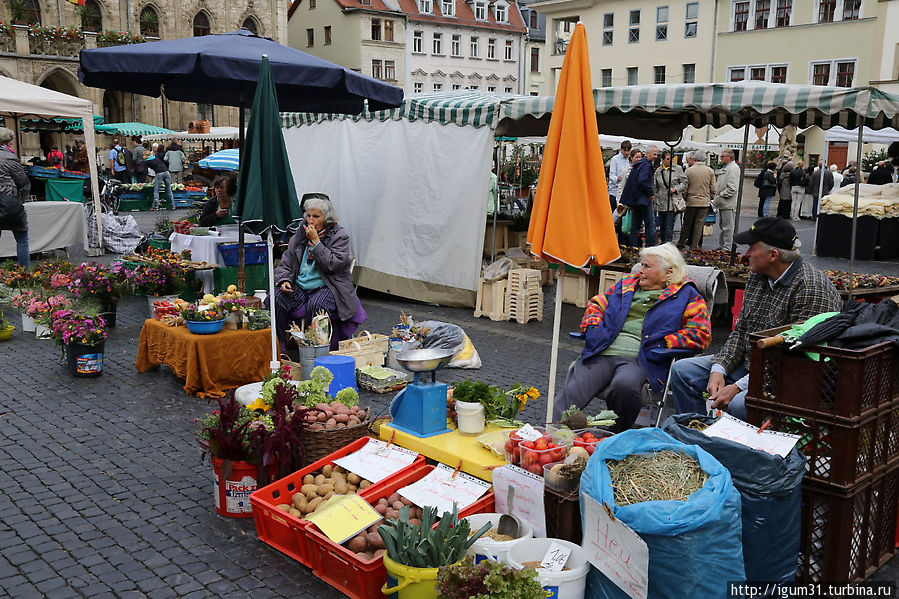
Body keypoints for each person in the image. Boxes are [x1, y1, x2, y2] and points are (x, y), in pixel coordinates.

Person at [670, 217, 841, 420]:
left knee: (739, 404)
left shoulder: (811, 288)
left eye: (752, 248)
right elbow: (741, 330)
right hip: (751, 364)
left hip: (788, 379)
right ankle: (696, 433)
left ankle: (741, 448)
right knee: (682, 371)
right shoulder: (757, 276)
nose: (746, 254)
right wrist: (719, 368)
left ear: (773, 255)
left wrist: (737, 386)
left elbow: (796, 361)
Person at [551, 243, 711, 431]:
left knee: (625, 386)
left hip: (640, 358)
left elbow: (701, 334)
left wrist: (662, 343)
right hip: (604, 348)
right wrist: (594, 328)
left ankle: (616, 434)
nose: (640, 270)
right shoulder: (627, 284)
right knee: (574, 388)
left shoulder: (687, 296)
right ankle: (550, 435)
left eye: (647, 266)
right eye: (641, 265)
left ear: (668, 273)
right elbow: (597, 303)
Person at [271, 196, 366, 351]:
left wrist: (316, 243)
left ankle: (315, 348)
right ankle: (280, 343)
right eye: (308, 215)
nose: (311, 220)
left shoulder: (339, 236)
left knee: (317, 305)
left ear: (326, 218)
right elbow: (286, 263)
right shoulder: (299, 235)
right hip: (301, 286)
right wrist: (284, 280)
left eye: (316, 216)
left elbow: (332, 265)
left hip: (328, 286)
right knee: (275, 298)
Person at [0, 128, 31, 266]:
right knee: (22, 239)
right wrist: (21, 200)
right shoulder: (10, 157)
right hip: (9, 200)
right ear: (6, 143)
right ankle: (26, 274)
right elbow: (23, 183)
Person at [620, 145, 658, 248]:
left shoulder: (638, 165)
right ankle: (651, 248)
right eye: (654, 154)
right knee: (650, 225)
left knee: (635, 225)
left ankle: (633, 247)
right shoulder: (646, 166)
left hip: (635, 200)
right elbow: (643, 181)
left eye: (657, 154)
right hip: (644, 200)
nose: (656, 156)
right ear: (648, 154)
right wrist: (650, 193)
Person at [679, 150, 716, 249]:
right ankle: (694, 246)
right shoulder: (710, 171)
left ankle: (681, 243)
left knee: (687, 224)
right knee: (699, 225)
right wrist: (710, 197)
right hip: (704, 202)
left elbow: (685, 187)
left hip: (691, 201)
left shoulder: (689, 171)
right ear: (704, 158)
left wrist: (685, 197)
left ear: (694, 158)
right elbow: (713, 188)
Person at [653, 150, 686, 244]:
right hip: (661, 202)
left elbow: (684, 182)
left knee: (669, 226)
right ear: (662, 160)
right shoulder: (658, 171)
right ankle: (663, 244)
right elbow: (655, 188)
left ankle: (668, 244)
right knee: (662, 225)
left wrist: (676, 189)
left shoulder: (678, 169)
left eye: (671, 158)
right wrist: (655, 202)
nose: (670, 161)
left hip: (672, 201)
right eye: (667, 159)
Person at [713, 149, 740, 250]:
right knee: (723, 226)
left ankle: (727, 248)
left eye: (722, 156)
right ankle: (722, 246)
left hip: (727, 202)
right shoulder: (727, 168)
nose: (721, 158)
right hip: (723, 202)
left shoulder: (733, 168)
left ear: (729, 157)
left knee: (728, 227)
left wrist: (721, 194)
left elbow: (732, 187)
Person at [607, 140, 632, 214]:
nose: (626, 153)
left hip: (625, 193)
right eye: (625, 150)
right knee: (614, 214)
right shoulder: (615, 159)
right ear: (621, 149)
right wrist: (617, 178)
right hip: (614, 192)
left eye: (628, 150)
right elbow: (611, 175)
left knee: (623, 215)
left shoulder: (630, 160)